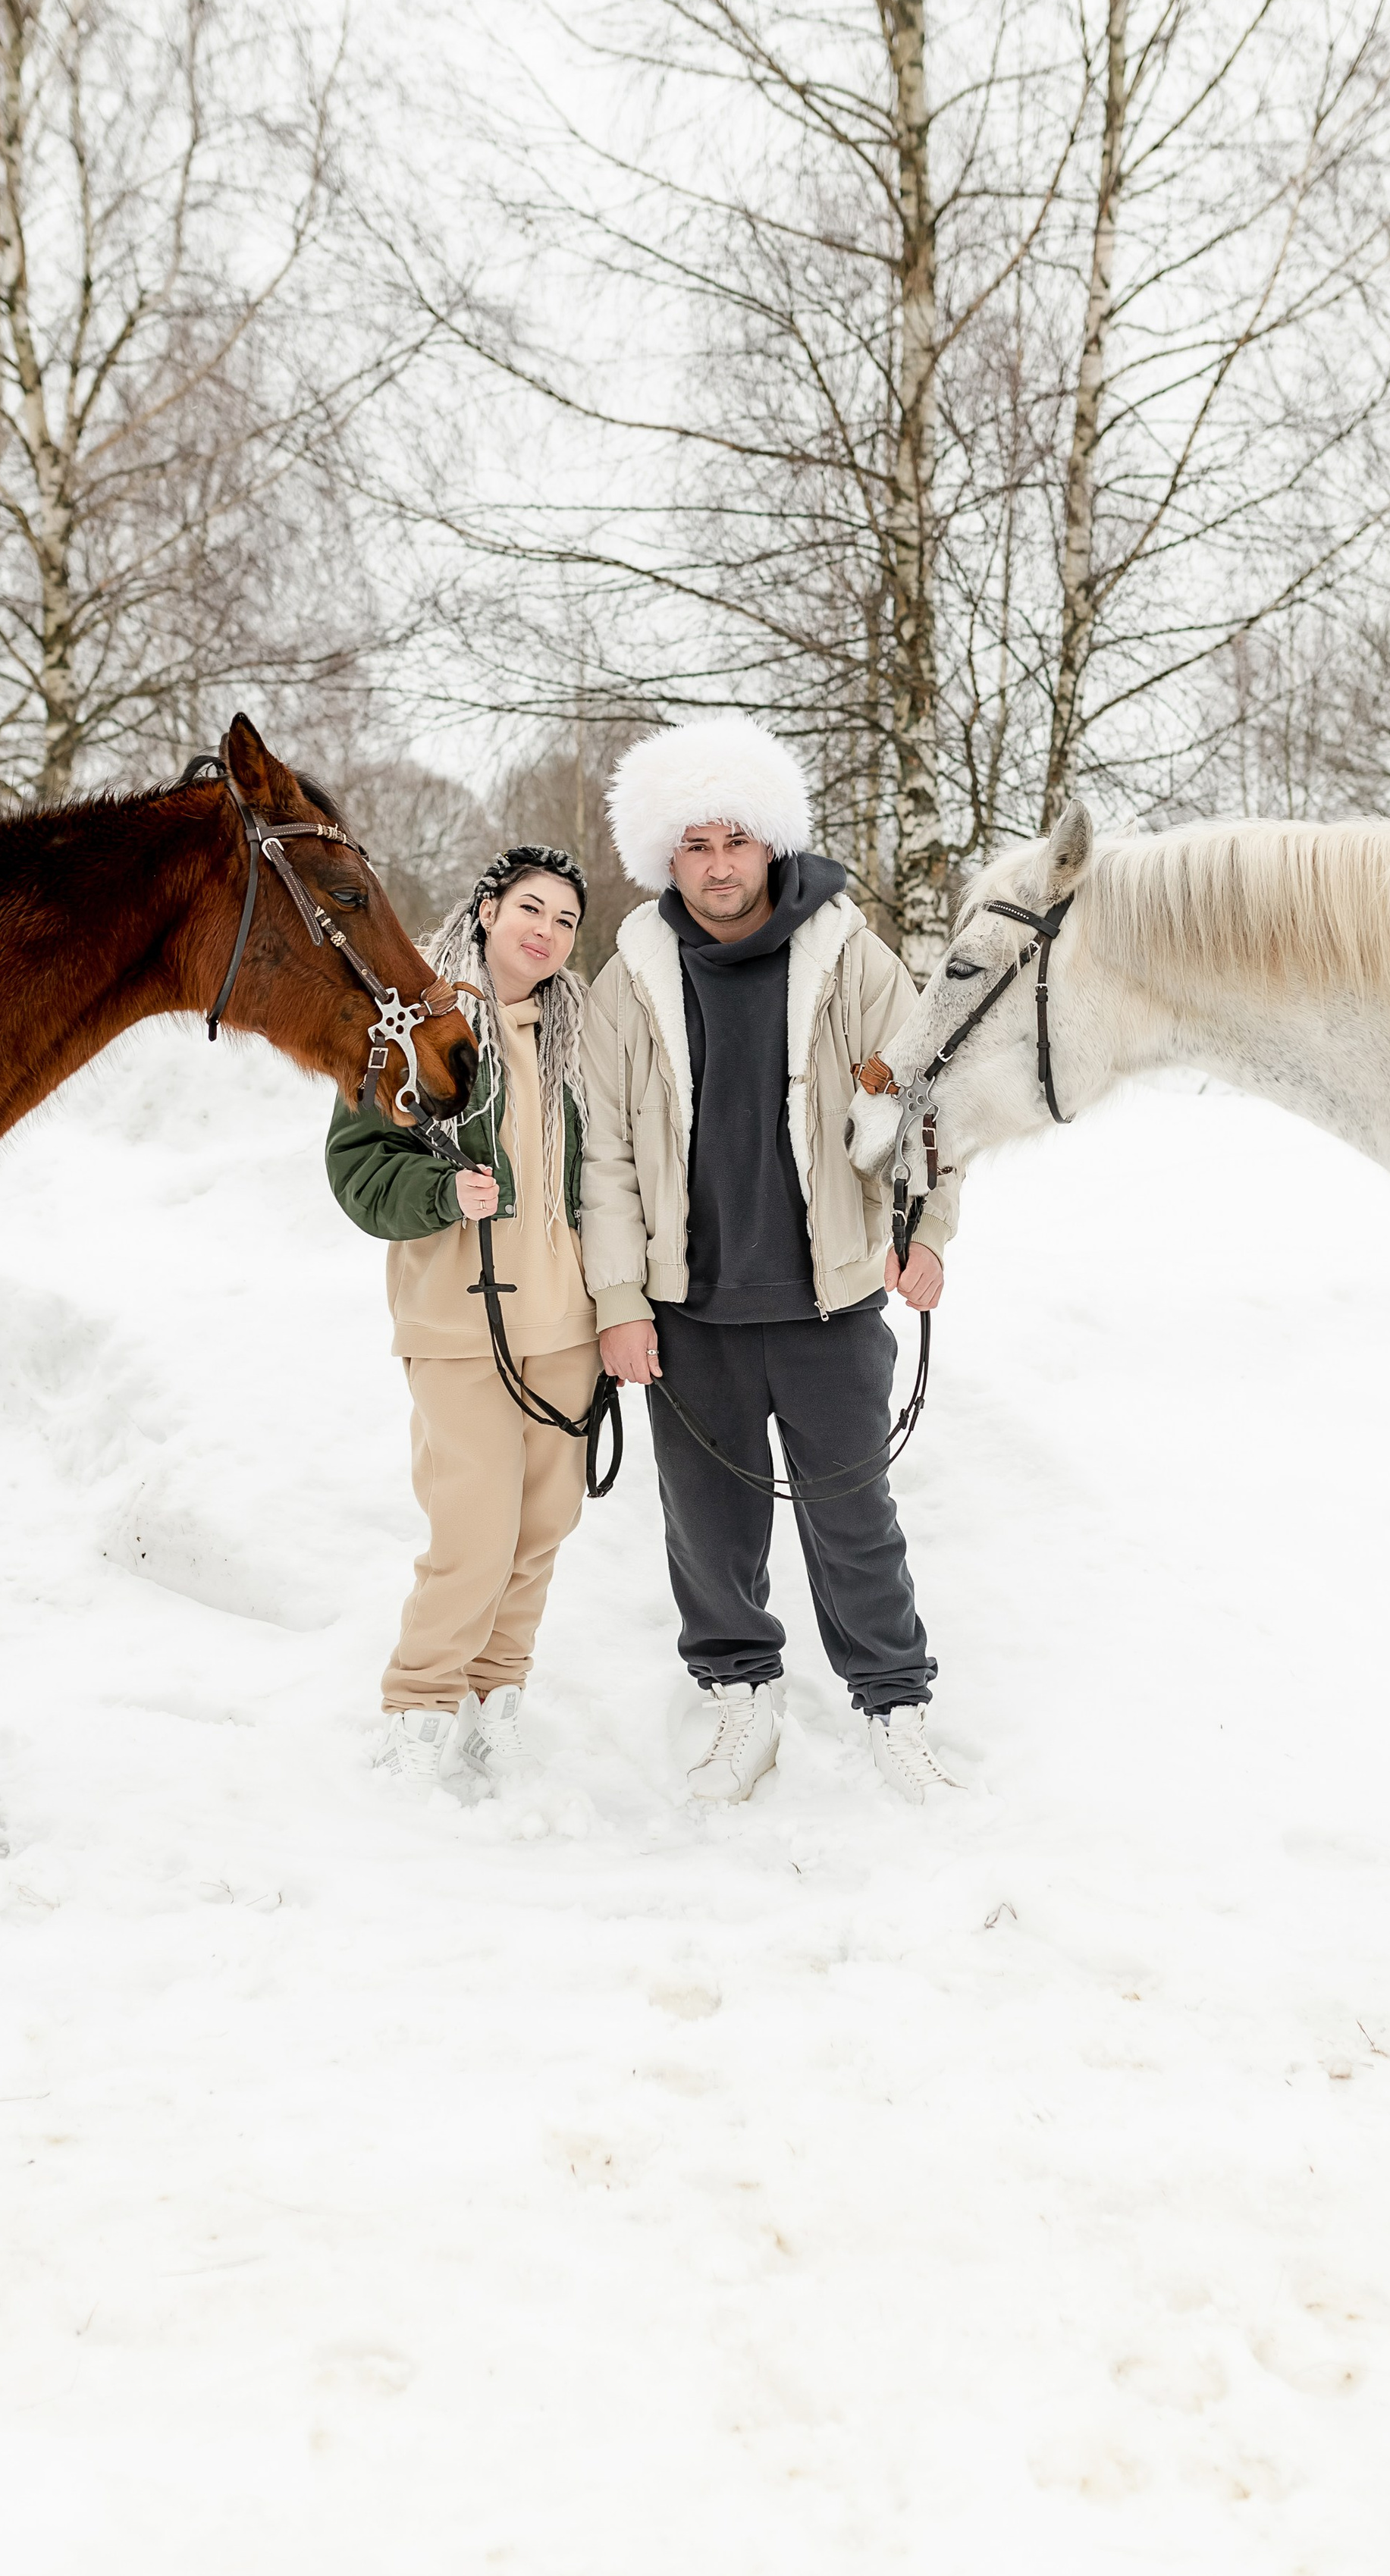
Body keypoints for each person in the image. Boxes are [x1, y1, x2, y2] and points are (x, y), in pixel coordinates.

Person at [581, 717, 965, 1806]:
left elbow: (927, 1104)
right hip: (687, 1310)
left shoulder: (851, 956)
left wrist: (928, 1232)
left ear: (771, 845)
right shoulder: (631, 978)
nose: (716, 864)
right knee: (708, 1528)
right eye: (694, 844)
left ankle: (894, 1705)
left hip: (829, 1301)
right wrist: (620, 1299)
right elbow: (602, 1156)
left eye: (734, 841)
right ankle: (742, 1697)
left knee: (854, 1517)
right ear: (667, 855)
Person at [326, 845, 596, 1787]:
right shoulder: (414, 1020)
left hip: (566, 1325)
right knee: (473, 1529)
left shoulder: (579, 1033)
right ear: (487, 910)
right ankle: (417, 1706)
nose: (547, 932)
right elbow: (357, 1168)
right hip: (460, 1322)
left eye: (566, 920)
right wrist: (445, 1192)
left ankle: (497, 1697)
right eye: (531, 908)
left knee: (540, 1528)